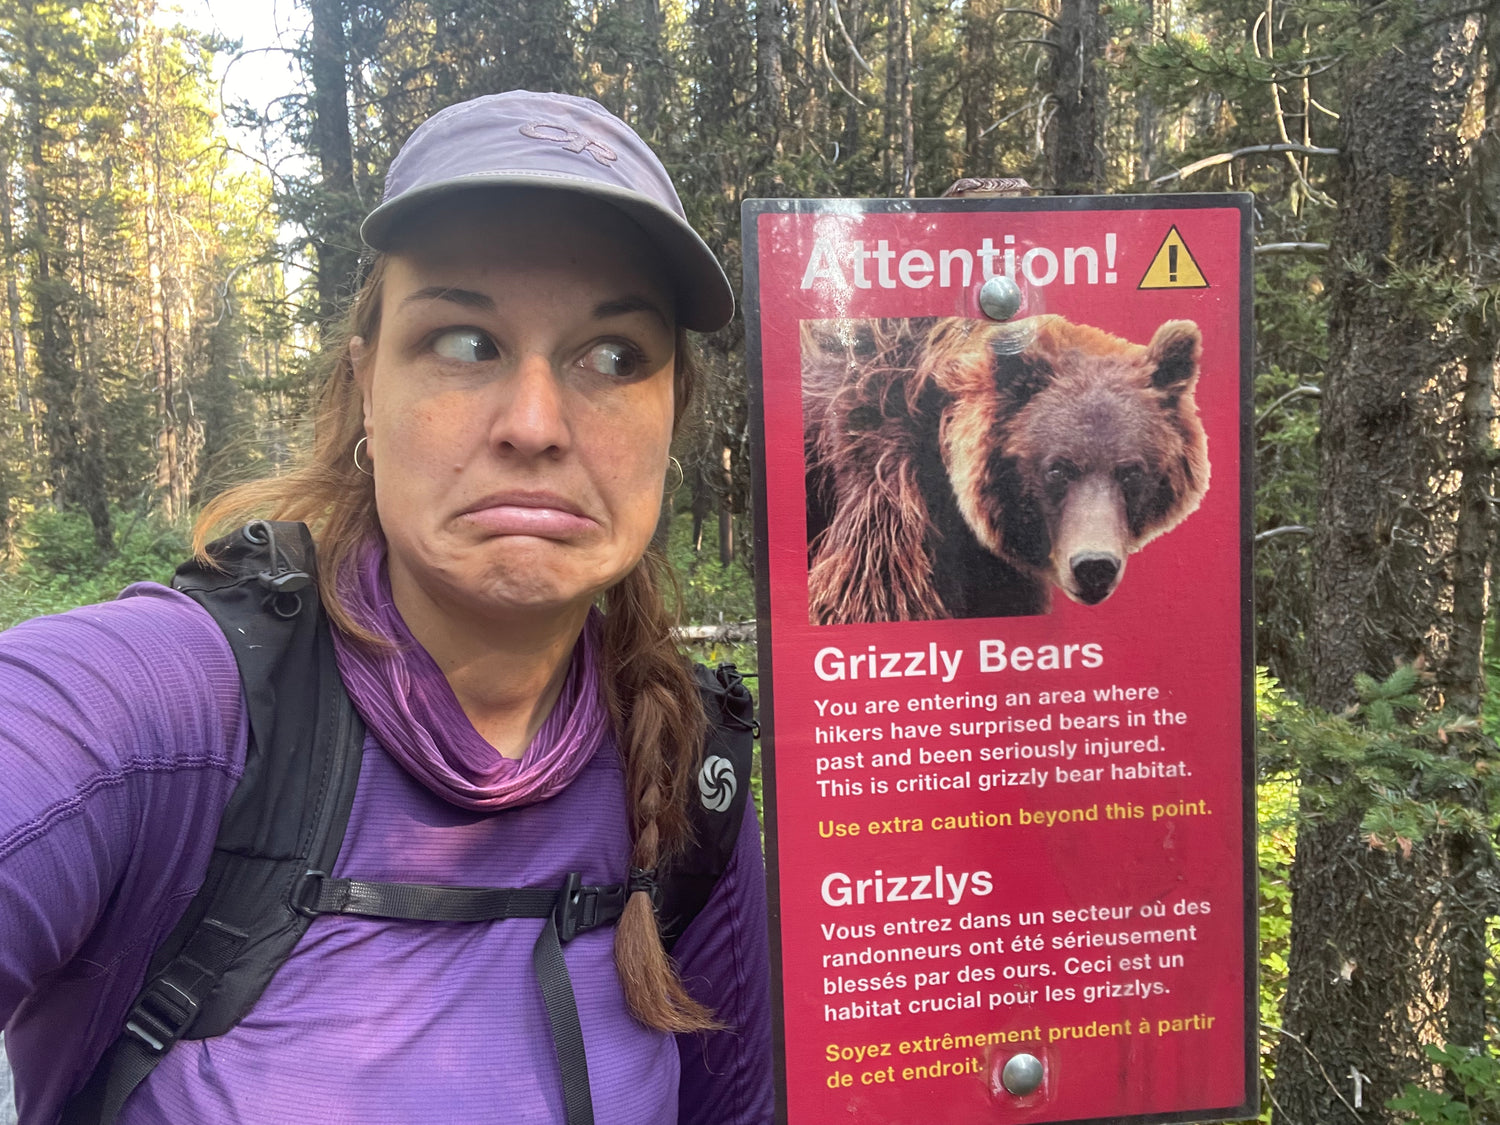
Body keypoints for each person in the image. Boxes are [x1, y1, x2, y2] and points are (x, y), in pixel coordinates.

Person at [0, 91, 773, 1124]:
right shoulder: (167, 713)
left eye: (615, 356)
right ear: (367, 385)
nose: (536, 424)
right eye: (463, 341)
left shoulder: (689, 774)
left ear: (671, 410)